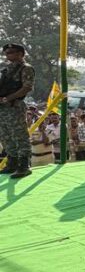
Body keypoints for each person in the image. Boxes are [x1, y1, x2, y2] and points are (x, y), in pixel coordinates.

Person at [0, 43, 35, 179]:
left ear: (21, 54)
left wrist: (7, 98)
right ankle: (12, 162)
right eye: (7, 53)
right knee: (5, 135)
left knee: (20, 135)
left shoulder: (26, 68)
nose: (9, 55)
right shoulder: (6, 70)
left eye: (12, 52)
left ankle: (24, 165)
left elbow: (27, 87)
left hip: (15, 105)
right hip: (3, 108)